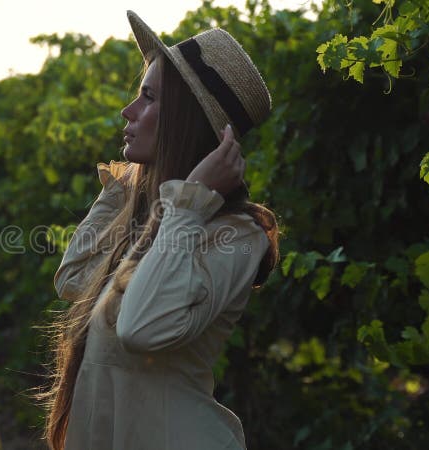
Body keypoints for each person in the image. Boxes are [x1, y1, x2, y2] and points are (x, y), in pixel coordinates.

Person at [38, 10, 281, 450]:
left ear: (184, 121)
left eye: (148, 98)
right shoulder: (154, 215)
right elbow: (73, 277)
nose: (128, 110)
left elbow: (141, 329)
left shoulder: (235, 235)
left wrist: (189, 204)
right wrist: (128, 186)